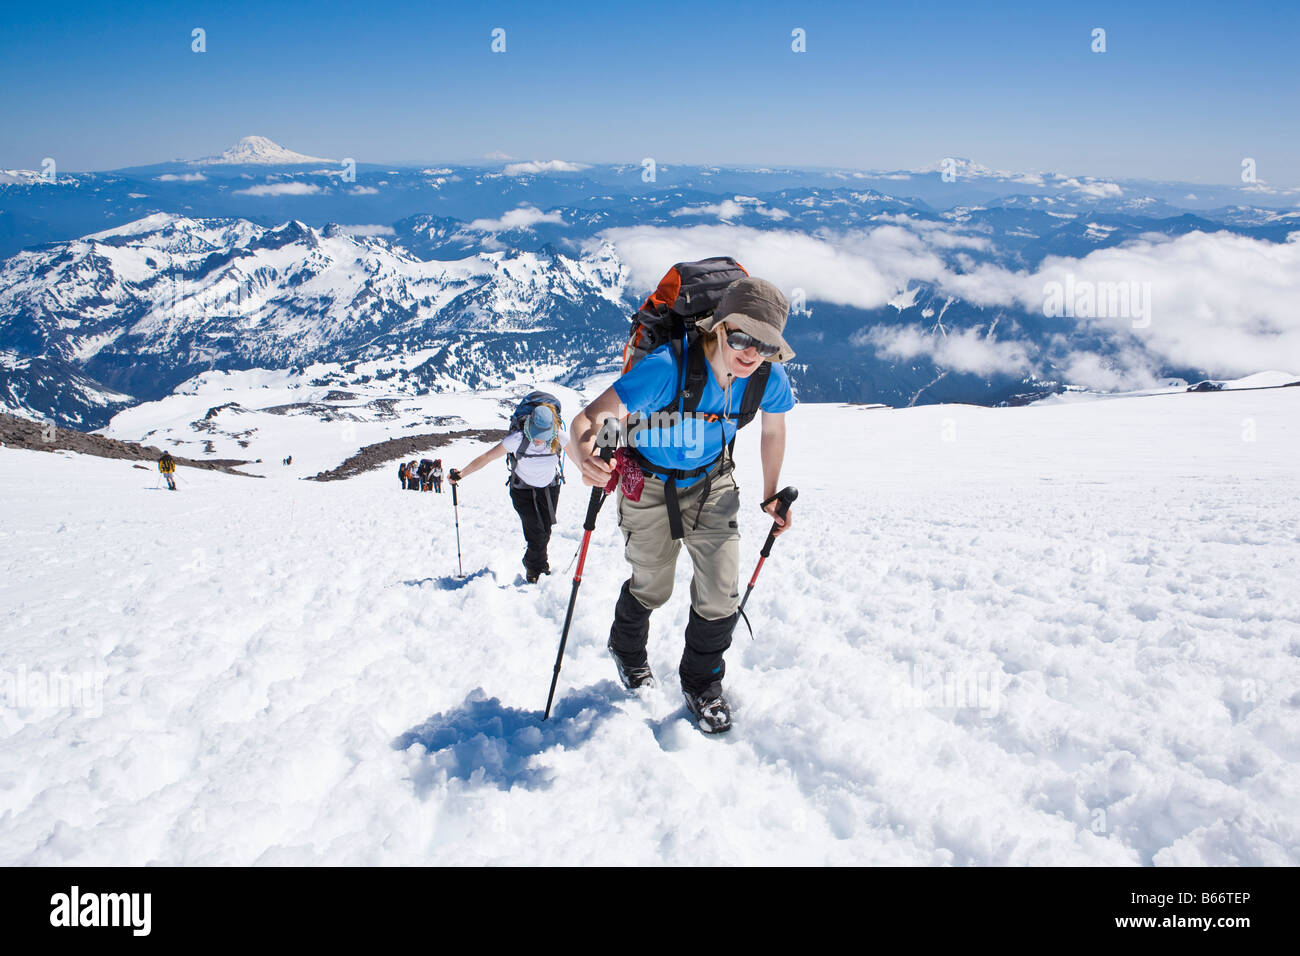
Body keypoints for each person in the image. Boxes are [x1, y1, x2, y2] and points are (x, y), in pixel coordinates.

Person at [566, 277, 797, 733]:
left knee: (721, 591)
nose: (751, 353)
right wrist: (583, 454)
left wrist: (771, 494)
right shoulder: (667, 366)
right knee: (653, 586)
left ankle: (703, 682)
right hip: (649, 483)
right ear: (719, 327)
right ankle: (627, 650)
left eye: (765, 344)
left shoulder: (766, 376)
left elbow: (773, 430)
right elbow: (590, 418)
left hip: (713, 481)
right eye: (741, 337)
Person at [451, 403, 567, 583]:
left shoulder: (559, 437)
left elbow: (582, 459)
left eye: (542, 436)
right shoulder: (518, 439)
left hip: (549, 487)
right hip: (522, 489)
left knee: (545, 530)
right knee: (536, 532)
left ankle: (540, 563)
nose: (538, 440)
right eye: (536, 435)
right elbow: (486, 458)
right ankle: (533, 569)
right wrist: (462, 474)